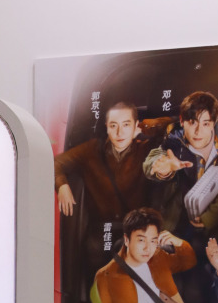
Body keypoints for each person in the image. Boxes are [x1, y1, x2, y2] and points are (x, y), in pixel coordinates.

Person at [54, 100, 173, 254]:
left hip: (138, 232)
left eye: (126, 125)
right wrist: (62, 185)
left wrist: (146, 127)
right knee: (95, 250)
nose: (119, 133)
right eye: (113, 126)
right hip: (101, 232)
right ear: (107, 127)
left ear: (135, 125)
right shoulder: (92, 149)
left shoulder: (145, 149)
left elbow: (174, 125)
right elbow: (55, 162)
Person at [144, 90, 218, 240]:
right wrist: (163, 168)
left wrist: (208, 218)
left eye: (206, 124)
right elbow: (151, 162)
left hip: (215, 225)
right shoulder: (173, 141)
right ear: (182, 121)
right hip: (176, 221)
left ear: (213, 123)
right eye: (193, 123)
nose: (198, 131)